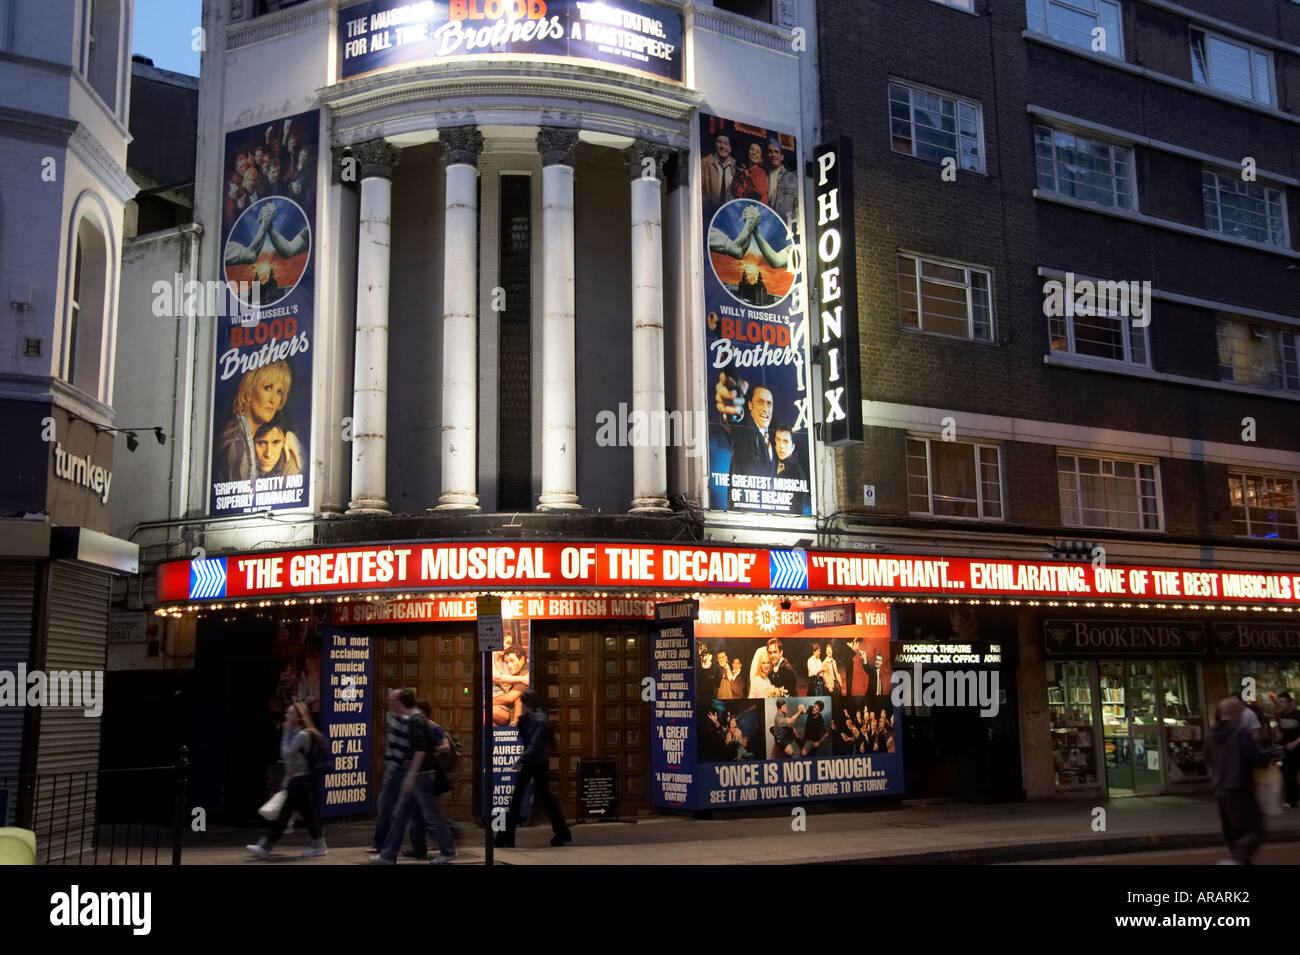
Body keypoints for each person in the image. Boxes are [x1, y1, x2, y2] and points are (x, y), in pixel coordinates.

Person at [375, 699, 456, 865]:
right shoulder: (411, 723)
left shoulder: (428, 725)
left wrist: (429, 753)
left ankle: (448, 850)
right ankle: (388, 855)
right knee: (402, 815)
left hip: (423, 776)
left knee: (430, 815)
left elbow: (445, 746)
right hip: (415, 776)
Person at [247, 702, 326, 859]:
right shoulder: (296, 733)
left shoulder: (302, 735)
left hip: (300, 781)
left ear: (297, 717)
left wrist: (285, 733)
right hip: (296, 781)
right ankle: (319, 845)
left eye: (290, 714)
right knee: (308, 815)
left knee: (284, 816)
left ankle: (265, 846)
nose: (286, 716)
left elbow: (286, 753)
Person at [1207, 696, 1277, 864]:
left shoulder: (1211, 734)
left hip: (1220, 789)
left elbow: (1208, 759)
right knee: (1255, 829)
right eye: (1241, 711)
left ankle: (1239, 860)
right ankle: (1237, 860)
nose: (1243, 714)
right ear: (1234, 712)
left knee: (1232, 832)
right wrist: (1269, 757)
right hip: (1240, 788)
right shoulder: (1240, 733)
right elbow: (1255, 758)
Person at [498, 692, 572, 848]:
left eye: (523, 703)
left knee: (528, 798)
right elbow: (527, 740)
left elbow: (534, 745)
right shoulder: (531, 718)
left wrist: (521, 761)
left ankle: (506, 838)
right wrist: (522, 722)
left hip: (536, 763)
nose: (521, 706)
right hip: (534, 762)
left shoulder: (539, 720)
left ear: (528, 704)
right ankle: (562, 833)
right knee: (532, 798)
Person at [214, 361, 304, 488]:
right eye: (268, 387)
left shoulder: (245, 435)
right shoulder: (236, 443)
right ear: (248, 391)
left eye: (279, 392)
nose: (273, 400)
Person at [366, 689, 428, 859]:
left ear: (401, 702)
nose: (389, 702)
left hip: (404, 771)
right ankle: (386, 849)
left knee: (401, 812)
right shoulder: (395, 719)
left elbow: (418, 749)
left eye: (393, 699)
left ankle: (389, 851)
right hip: (396, 770)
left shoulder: (413, 720)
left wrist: (409, 773)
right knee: (398, 811)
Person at [718, 384, 777, 509]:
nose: (765, 408)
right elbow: (736, 418)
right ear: (750, 405)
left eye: (769, 404)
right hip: (743, 515)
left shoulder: (774, 439)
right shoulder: (745, 430)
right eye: (760, 402)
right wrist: (732, 408)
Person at [773, 426, 810, 514]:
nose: (781, 446)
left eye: (785, 442)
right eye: (778, 440)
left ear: (793, 447)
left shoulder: (797, 472)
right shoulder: (772, 463)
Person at [764, 137, 799, 226]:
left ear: (782, 156)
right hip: (766, 225)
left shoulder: (791, 178)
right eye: (770, 152)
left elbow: (798, 205)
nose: (773, 155)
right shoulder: (763, 175)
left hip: (785, 226)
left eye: (776, 152)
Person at [254, 413, 301, 478]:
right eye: (261, 443)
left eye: (276, 442)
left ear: (284, 441)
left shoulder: (293, 466)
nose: (268, 454)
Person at [700, 132, 736, 214]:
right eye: (719, 142)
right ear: (715, 144)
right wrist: (708, 208)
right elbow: (699, 189)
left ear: (730, 148)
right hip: (711, 213)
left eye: (726, 143)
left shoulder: (735, 165)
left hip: (731, 214)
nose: (722, 146)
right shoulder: (705, 162)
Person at [1276, 691, 1300, 808]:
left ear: (1290, 703)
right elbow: (1281, 733)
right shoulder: (1280, 716)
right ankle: (1292, 800)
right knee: (1288, 775)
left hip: (1298, 748)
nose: (1281, 704)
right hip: (1287, 751)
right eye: (1279, 702)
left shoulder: (1297, 715)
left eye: (1283, 702)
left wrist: (1295, 743)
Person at [492, 649, 528, 725]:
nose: (509, 666)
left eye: (512, 661)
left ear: (522, 659)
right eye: (507, 662)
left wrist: (485, 702)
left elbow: (509, 698)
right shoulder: (516, 674)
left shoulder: (526, 673)